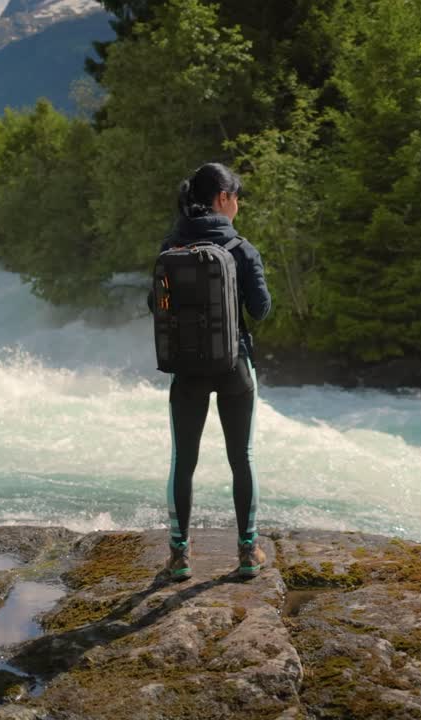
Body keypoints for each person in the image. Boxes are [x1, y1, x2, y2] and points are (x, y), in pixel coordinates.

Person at [157, 162, 271, 581]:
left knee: (183, 460)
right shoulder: (241, 249)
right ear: (222, 199)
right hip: (234, 364)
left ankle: (180, 555)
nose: (238, 204)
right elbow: (260, 310)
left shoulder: (172, 244)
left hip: (186, 369)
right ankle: (247, 551)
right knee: (241, 457)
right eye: (236, 196)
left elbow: (156, 306)